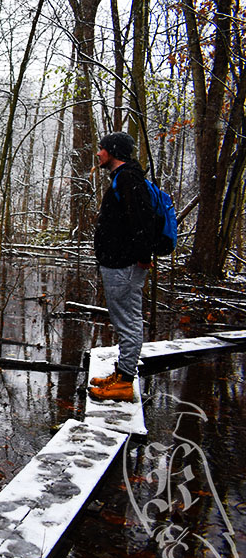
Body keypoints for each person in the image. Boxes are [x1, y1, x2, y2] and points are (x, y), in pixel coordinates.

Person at [89, 131, 154, 401]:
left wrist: (142, 256)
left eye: (102, 148)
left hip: (124, 264)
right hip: (118, 262)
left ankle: (125, 383)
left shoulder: (128, 178)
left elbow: (142, 219)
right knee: (124, 320)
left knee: (128, 321)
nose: (99, 153)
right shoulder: (123, 178)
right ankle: (122, 373)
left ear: (114, 151)